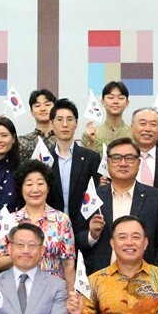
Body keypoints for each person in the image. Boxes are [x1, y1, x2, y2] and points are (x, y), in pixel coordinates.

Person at [77, 137, 158, 274]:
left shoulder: (157, 198)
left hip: (144, 280)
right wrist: (92, 235)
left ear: (138, 162)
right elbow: (77, 240)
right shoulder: (93, 197)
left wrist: (152, 277)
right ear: (107, 162)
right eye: (116, 158)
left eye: (129, 158)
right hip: (101, 279)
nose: (123, 163)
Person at [0, 161, 75, 293]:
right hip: (19, 291)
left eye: (40, 183)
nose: (35, 189)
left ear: (48, 188)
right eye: (29, 184)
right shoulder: (10, 220)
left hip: (53, 292)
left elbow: (69, 264)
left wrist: (70, 296)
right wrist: (23, 255)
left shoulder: (62, 220)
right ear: (21, 189)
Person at [45, 98, 102, 231]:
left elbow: (98, 193)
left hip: (84, 228)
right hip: (51, 229)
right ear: (51, 124)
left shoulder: (91, 158)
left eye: (70, 119)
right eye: (60, 120)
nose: (65, 124)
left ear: (76, 123)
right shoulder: (44, 159)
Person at [80, 80, 131, 154]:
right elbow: (84, 160)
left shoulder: (134, 134)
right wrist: (91, 142)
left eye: (120, 98)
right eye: (110, 97)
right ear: (102, 102)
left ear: (127, 103)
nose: (115, 101)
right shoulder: (90, 134)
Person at [17, 88, 57, 165]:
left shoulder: (62, 140)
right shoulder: (21, 142)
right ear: (31, 112)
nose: (43, 109)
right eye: (37, 106)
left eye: (47, 105)